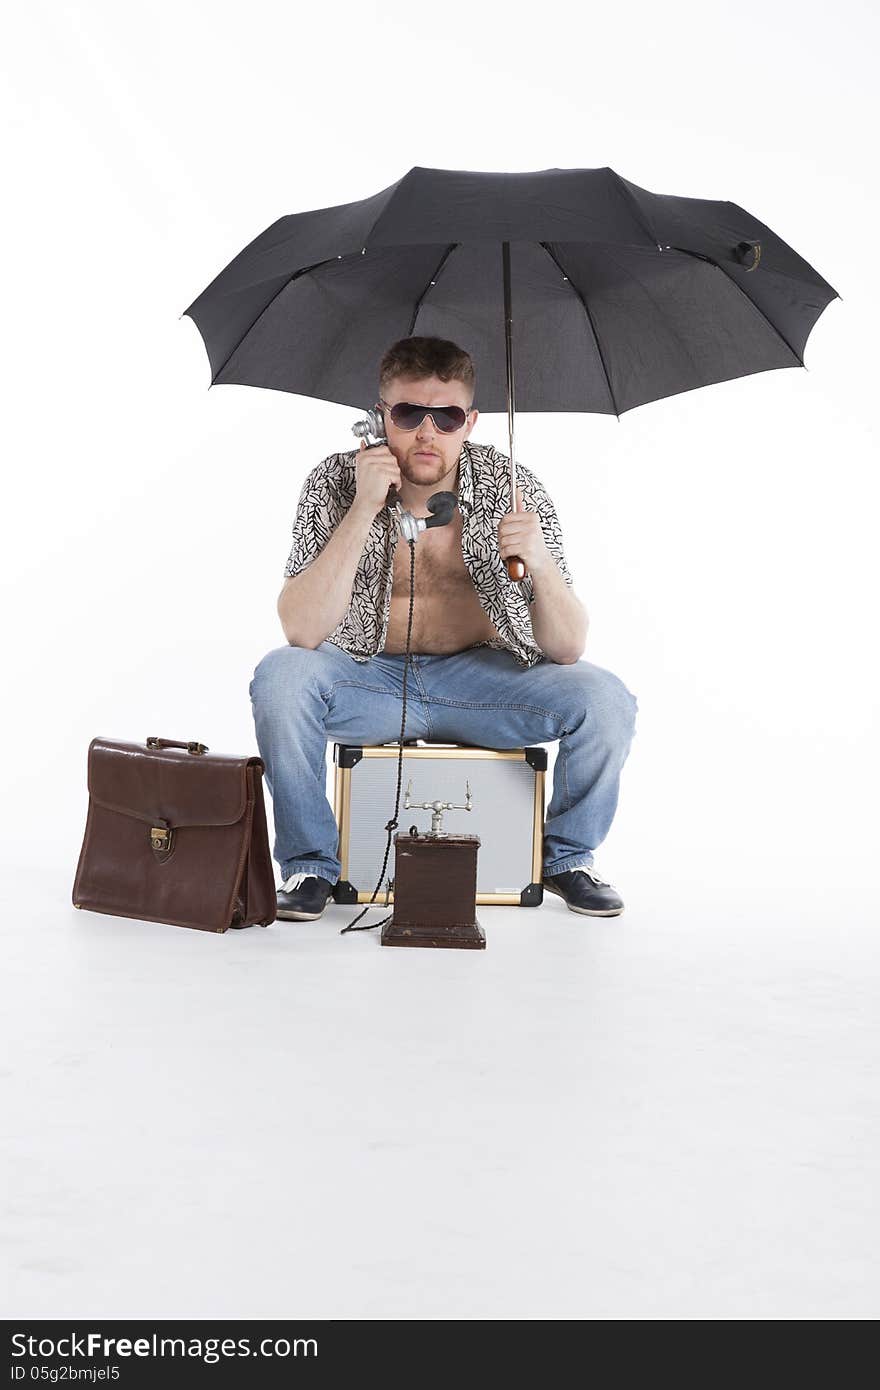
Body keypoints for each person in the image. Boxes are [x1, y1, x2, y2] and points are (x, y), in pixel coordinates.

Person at [249, 336, 638, 922]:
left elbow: (567, 646)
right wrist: (362, 508)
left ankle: (566, 858)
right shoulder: (334, 481)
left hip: (482, 680)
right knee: (280, 678)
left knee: (606, 698)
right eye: (408, 414)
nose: (426, 433)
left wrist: (542, 564)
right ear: (380, 416)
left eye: (446, 416)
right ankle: (310, 866)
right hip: (368, 677)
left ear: (470, 421)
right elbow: (301, 631)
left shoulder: (513, 487)